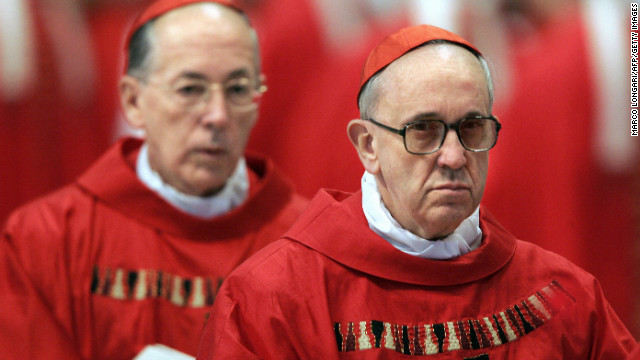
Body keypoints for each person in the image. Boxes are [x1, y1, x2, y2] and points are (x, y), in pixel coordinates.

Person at [196, 24, 636, 359]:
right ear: (368, 145)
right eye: (423, 130)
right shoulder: (274, 300)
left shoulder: (562, 296)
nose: (453, 156)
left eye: (471, 128)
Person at [0, 0, 308, 359]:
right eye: (190, 89)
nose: (218, 115)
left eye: (238, 90)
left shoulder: (307, 244)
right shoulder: (48, 240)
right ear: (133, 101)